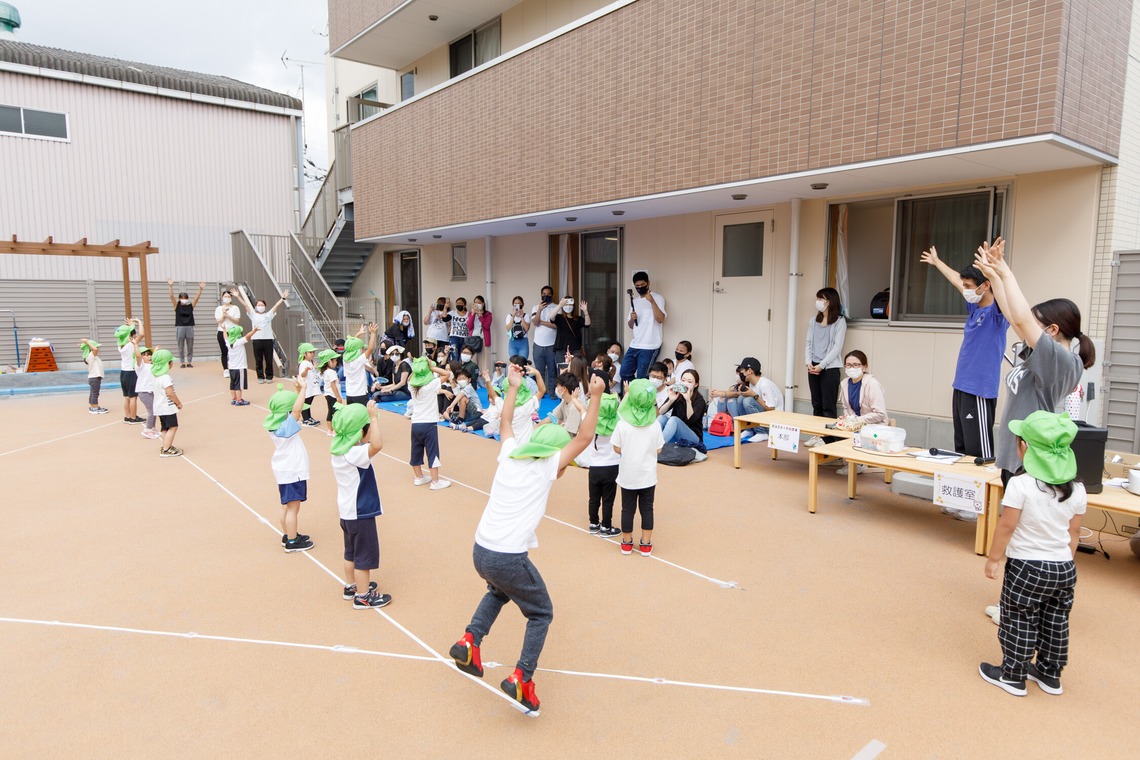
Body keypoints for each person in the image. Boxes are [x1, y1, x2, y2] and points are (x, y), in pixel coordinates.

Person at [448, 365, 605, 716]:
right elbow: (582, 439)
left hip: (481, 548)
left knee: (499, 590)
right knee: (541, 612)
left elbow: (505, 423)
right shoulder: (546, 467)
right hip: (507, 556)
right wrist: (594, 398)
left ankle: (470, 640)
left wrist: (514, 387)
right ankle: (522, 678)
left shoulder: (510, 455)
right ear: (554, 455)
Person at [974, 238, 1095, 623]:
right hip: (1019, 453)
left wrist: (1005, 271)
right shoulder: (1044, 353)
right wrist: (994, 275)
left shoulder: (1062, 360)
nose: (1027, 327)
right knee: (1020, 533)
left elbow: (1023, 319)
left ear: (1053, 329)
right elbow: (1016, 317)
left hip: (1035, 458)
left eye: (1040, 325)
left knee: (1023, 536)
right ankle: (1016, 602)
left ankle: (1018, 608)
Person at [979, 411, 1086, 697]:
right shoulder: (1078, 489)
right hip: (1064, 568)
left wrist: (993, 559)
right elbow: (1074, 533)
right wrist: (1065, 560)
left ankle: (1013, 675)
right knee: (1056, 620)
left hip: (1027, 566)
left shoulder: (1021, 484)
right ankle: (1050, 675)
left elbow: (1007, 525)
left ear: (1025, 448)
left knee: (1019, 617)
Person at [921, 247, 1009, 461]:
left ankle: (985, 492)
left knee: (979, 452)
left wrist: (994, 268)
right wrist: (937, 262)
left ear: (986, 285)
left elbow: (1004, 289)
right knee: (962, 446)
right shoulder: (975, 307)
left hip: (979, 390)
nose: (966, 290)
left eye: (970, 286)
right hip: (961, 386)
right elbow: (956, 281)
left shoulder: (998, 313)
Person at [331, 402, 392, 609]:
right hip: (361, 511)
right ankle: (363, 596)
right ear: (360, 431)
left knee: (350, 551)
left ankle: (352, 586)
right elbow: (376, 445)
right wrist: (373, 419)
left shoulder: (339, 451)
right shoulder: (354, 454)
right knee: (363, 556)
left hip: (347, 512)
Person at [612, 378, 665, 556]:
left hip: (628, 475)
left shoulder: (622, 425)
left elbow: (617, 447)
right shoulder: (655, 425)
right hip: (648, 476)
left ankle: (627, 542)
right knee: (647, 509)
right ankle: (646, 544)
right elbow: (659, 449)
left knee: (627, 509)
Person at [263, 381, 314, 553]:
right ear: (287, 413)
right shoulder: (286, 426)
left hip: (284, 470)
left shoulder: (278, 426)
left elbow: (295, 408)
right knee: (293, 507)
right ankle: (292, 541)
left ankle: (288, 534)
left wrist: (298, 390)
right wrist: (304, 389)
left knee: (286, 505)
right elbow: (296, 410)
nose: (299, 415)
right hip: (293, 471)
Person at [834, 350, 889, 475]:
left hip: (873, 425)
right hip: (856, 424)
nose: (851, 368)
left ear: (864, 367)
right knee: (834, 430)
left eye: (856, 365)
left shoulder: (872, 384)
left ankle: (858, 464)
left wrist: (857, 420)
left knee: (855, 434)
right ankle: (846, 460)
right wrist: (847, 417)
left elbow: (880, 413)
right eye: (848, 365)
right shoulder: (844, 383)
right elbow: (847, 408)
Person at [804, 287, 847, 446]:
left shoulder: (839, 321)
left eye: (821, 299)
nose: (818, 302)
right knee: (817, 404)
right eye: (818, 299)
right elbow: (808, 342)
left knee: (828, 406)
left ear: (830, 301)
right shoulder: (812, 321)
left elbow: (837, 347)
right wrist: (808, 361)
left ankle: (828, 440)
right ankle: (818, 435)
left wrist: (821, 365)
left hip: (829, 368)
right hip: (812, 366)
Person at [406, 357, 452, 490]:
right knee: (432, 452)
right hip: (429, 424)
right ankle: (435, 481)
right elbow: (446, 374)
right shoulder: (431, 384)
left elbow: (410, 377)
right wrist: (431, 366)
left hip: (415, 423)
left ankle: (419, 477)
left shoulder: (411, 386)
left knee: (416, 450)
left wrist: (418, 367)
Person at [584, 382, 622, 536]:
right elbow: (624, 410)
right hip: (612, 466)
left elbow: (582, 410)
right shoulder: (618, 421)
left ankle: (593, 523)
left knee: (593, 498)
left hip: (594, 466)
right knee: (608, 499)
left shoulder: (590, 420)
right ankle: (606, 526)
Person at [710, 357, 783, 433]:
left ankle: (761, 432)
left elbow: (771, 409)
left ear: (750, 371)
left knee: (748, 401)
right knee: (741, 398)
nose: (741, 374)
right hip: (764, 417)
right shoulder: (752, 384)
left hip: (772, 422)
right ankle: (748, 429)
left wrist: (754, 395)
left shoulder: (765, 384)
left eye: (742, 371)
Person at [621, 271, 667, 385]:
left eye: (642, 285)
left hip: (650, 345)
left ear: (648, 283)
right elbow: (631, 325)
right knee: (624, 372)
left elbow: (660, 319)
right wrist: (632, 318)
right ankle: (635, 394)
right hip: (635, 344)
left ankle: (643, 399)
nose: (640, 288)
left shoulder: (658, 298)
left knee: (643, 377)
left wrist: (652, 301)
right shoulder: (634, 301)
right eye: (637, 286)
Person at [483, 359, 545, 442]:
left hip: (510, 446)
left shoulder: (504, 406)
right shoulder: (528, 405)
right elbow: (542, 390)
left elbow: (494, 396)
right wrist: (537, 373)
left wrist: (487, 381)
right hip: (526, 446)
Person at [237, 288, 290, 383]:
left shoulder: (268, 314)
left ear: (265, 306)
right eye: (258, 305)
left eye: (262, 305)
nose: (260, 306)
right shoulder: (253, 314)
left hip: (268, 339)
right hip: (256, 340)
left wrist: (282, 298)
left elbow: (276, 306)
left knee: (269, 359)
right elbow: (245, 305)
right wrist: (238, 296)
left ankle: (269, 377)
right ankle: (260, 377)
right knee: (258, 360)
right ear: (256, 306)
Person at [657, 368, 707, 446]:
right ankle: (654, 442)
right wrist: (671, 400)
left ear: (696, 384)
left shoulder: (700, 401)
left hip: (693, 438)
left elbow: (691, 420)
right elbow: (661, 412)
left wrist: (688, 401)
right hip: (676, 434)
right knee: (661, 418)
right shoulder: (678, 394)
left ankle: (658, 446)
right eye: (683, 380)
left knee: (674, 419)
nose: (685, 383)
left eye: (689, 381)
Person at [150, 349, 183, 458]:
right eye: (170, 361)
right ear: (167, 364)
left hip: (159, 407)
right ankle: (166, 449)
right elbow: (170, 393)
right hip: (167, 407)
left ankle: (166, 445)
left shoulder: (156, 377)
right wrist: (178, 403)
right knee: (173, 427)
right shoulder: (166, 378)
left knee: (165, 428)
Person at [167, 279, 204, 368]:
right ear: (180, 299)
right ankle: (182, 362)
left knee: (190, 345)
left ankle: (189, 361)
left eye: (185, 298)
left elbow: (196, 298)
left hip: (189, 327)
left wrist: (200, 289)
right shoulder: (177, 306)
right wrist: (170, 286)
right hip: (179, 327)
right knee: (180, 346)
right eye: (182, 298)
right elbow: (171, 296)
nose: (184, 299)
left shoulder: (190, 306)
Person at [530, 286, 559, 398]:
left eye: (548, 294)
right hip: (538, 344)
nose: (546, 296)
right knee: (539, 371)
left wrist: (542, 322)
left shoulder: (557, 308)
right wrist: (540, 310)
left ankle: (552, 392)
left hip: (552, 344)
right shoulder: (536, 307)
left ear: (552, 295)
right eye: (544, 293)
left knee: (552, 371)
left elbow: (556, 325)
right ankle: (541, 392)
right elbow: (535, 322)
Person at [222, 323, 258, 406]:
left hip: (231, 367)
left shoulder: (228, 342)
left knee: (233, 383)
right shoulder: (239, 342)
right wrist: (254, 330)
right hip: (240, 367)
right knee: (239, 385)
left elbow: (225, 337)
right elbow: (248, 336)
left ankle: (234, 399)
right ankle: (239, 400)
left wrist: (224, 329)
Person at [116, 319, 143, 424]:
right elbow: (142, 334)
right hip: (131, 372)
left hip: (123, 372)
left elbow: (126, 334)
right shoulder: (131, 345)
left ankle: (127, 416)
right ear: (130, 336)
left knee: (126, 397)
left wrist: (131, 326)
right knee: (133, 397)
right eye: (133, 334)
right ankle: (133, 417)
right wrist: (139, 322)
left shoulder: (120, 345)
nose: (135, 336)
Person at [343, 324, 378, 405]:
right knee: (363, 415)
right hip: (360, 394)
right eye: (362, 348)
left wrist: (358, 333)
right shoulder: (359, 360)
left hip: (349, 394)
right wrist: (372, 334)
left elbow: (351, 345)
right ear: (358, 351)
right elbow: (370, 348)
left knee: (352, 415)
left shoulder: (345, 360)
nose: (363, 350)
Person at [445, 366, 485, 432]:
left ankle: (460, 419)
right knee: (445, 413)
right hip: (466, 413)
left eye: (463, 379)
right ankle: (454, 420)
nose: (461, 381)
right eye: (459, 379)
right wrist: (451, 381)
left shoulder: (469, 387)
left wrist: (452, 405)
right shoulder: (460, 388)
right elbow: (456, 393)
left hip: (476, 412)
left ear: (469, 380)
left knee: (462, 398)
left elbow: (460, 395)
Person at [135, 346, 161, 440]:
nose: (149, 357)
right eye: (145, 355)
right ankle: (147, 429)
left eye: (149, 355)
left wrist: (155, 352)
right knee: (152, 410)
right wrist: (135, 345)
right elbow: (138, 356)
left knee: (155, 410)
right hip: (144, 391)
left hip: (152, 391)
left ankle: (152, 428)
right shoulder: (140, 366)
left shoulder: (152, 365)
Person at [214, 289, 241, 374]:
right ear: (222, 297)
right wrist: (224, 316)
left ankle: (235, 367)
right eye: (225, 296)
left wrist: (228, 316)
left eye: (229, 296)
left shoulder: (235, 308)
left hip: (233, 332)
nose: (227, 298)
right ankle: (226, 369)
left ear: (231, 298)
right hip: (222, 331)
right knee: (224, 351)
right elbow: (219, 321)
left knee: (234, 350)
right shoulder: (219, 309)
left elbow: (237, 321)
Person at [318, 349, 342, 437]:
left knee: (330, 411)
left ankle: (330, 430)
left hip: (327, 394)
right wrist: (338, 397)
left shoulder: (325, 372)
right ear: (329, 361)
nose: (336, 362)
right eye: (335, 360)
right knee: (336, 413)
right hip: (333, 395)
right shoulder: (332, 372)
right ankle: (335, 430)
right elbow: (333, 385)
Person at [466, 295, 494, 373]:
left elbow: (487, 326)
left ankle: (484, 380)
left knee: (484, 362)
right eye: (475, 303)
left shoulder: (488, 314)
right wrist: (472, 314)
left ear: (483, 304)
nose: (477, 305)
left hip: (483, 340)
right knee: (473, 360)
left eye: (479, 303)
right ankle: (473, 377)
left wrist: (481, 316)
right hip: (472, 340)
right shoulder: (470, 314)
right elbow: (469, 326)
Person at [79, 339, 107, 414]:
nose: (98, 349)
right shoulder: (91, 355)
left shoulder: (92, 356)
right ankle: (95, 408)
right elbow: (94, 349)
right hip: (95, 377)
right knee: (95, 393)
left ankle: (93, 406)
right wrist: (87, 342)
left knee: (93, 393)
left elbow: (94, 349)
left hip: (94, 377)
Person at [297, 343, 321, 426]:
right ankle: (305, 419)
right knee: (306, 402)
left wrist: (314, 367)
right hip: (307, 387)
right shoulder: (304, 363)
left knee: (309, 402)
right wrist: (306, 370)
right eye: (310, 352)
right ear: (305, 354)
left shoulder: (309, 362)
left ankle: (309, 417)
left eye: (313, 352)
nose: (312, 354)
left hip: (311, 386)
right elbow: (302, 375)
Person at [505, 296, 531, 360]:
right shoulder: (509, 316)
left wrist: (522, 317)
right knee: (514, 363)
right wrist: (513, 317)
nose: (517, 305)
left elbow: (527, 329)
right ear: (513, 305)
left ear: (522, 304)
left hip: (523, 341)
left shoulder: (526, 315)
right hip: (513, 342)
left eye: (519, 303)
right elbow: (508, 329)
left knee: (523, 362)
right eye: (515, 304)